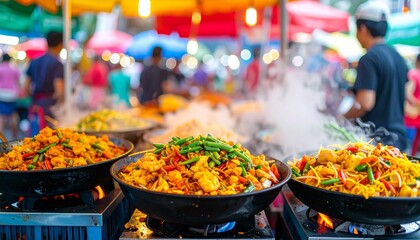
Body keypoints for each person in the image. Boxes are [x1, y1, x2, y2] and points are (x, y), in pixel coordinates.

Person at [343, 1, 409, 150]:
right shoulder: (398, 56)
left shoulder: (369, 58)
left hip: (378, 143)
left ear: (363, 28)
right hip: (399, 139)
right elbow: (405, 97)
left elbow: (364, 103)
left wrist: (341, 119)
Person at [25, 31, 64, 128]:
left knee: (35, 135)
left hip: (35, 103)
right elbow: (59, 90)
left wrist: (35, 97)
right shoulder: (57, 64)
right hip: (50, 106)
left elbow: (26, 86)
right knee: (49, 138)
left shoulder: (34, 61)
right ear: (60, 44)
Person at [0, 53, 21, 139]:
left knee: (1, 117)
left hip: (1, 94)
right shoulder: (14, 69)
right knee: (13, 116)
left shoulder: (0, 68)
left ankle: (1, 139)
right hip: (12, 94)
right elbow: (18, 82)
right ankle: (14, 137)